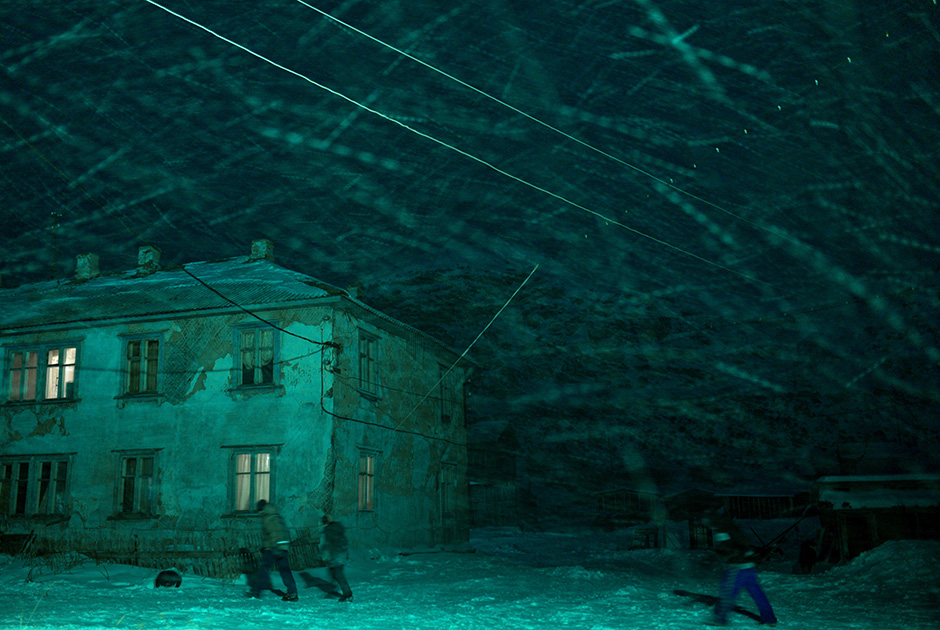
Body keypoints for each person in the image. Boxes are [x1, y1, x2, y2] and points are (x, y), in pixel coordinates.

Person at [704, 511, 777, 627]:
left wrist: (716, 553)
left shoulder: (722, 530)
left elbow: (727, 548)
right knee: (757, 593)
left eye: (707, 522)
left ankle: (719, 618)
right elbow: (743, 544)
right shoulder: (733, 528)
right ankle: (769, 619)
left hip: (737, 567)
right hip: (749, 566)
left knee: (727, 591)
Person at [248, 500, 299, 601]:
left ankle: (257, 591)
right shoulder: (276, 516)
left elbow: (274, 534)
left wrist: (273, 547)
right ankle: (292, 592)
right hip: (283, 547)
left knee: (263, 569)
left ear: (262, 509)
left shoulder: (268, 518)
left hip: (273, 548)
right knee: (285, 570)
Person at [320, 513, 353, 602]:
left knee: (338, 576)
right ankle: (333, 592)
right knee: (333, 574)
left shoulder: (329, 530)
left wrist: (323, 553)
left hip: (335, 556)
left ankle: (348, 594)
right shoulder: (338, 528)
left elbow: (328, 544)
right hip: (342, 555)